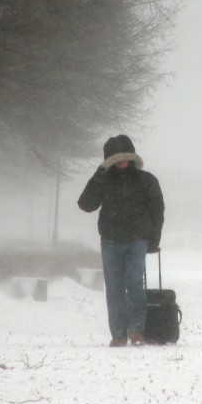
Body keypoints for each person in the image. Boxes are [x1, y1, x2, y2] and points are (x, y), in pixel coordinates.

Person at [77, 135, 165, 347]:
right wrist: (99, 174)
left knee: (134, 284)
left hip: (137, 241)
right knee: (114, 287)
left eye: (125, 157)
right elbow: (86, 204)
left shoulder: (147, 181)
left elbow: (157, 211)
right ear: (110, 160)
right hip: (110, 240)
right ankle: (118, 334)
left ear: (132, 158)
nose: (122, 162)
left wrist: (153, 240)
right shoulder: (104, 180)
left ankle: (136, 332)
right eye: (116, 159)